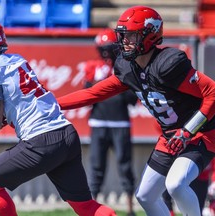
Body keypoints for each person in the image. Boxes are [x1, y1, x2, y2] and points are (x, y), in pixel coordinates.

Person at [56, 5, 215, 216]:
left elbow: (212, 93)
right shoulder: (127, 68)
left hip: (201, 133)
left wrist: (187, 131)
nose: (124, 41)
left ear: (150, 35)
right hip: (171, 137)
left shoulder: (168, 64)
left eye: (131, 36)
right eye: (123, 36)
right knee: (146, 196)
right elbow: (93, 93)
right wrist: (52, 104)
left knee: (176, 184)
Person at [0, 18, 117, 216]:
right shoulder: (16, 60)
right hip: (66, 133)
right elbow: (10, 114)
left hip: (41, 140)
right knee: (86, 206)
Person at [84, 28, 137, 216]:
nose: (106, 53)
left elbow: (132, 99)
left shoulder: (125, 67)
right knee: (96, 167)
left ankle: (131, 208)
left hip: (120, 123)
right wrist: (96, 83)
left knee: (125, 166)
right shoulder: (92, 68)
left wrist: (117, 84)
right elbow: (87, 97)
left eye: (108, 48)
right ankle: (91, 208)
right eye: (102, 49)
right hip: (99, 123)